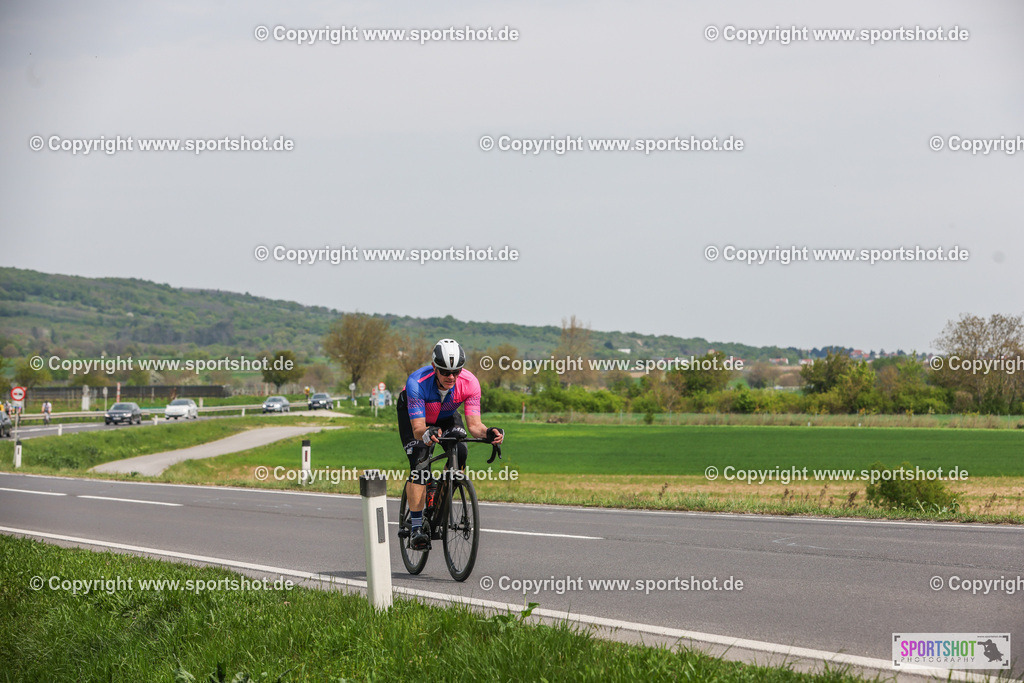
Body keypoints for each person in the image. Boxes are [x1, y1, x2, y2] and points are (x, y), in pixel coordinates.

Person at [398, 338, 503, 550]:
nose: (452, 377)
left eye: (456, 371)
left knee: (461, 450)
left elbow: (475, 426)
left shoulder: (470, 382)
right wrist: (427, 433)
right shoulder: (417, 382)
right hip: (417, 420)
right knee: (420, 464)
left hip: (445, 415)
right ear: (435, 367)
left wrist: (489, 433)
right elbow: (419, 428)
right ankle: (417, 527)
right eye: (446, 372)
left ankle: (441, 493)